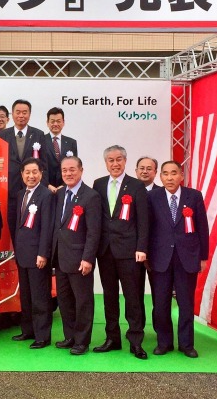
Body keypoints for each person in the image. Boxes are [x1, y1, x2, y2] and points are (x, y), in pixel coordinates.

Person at [92, 145, 149, 360]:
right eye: (111, 160)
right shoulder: (98, 184)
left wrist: (141, 248)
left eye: (118, 160)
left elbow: (143, 221)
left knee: (132, 297)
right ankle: (112, 338)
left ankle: (136, 341)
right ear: (106, 163)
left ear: (125, 161)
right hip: (105, 251)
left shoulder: (136, 186)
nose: (115, 164)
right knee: (109, 297)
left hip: (129, 252)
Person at [148, 161, 209, 358]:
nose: (170, 177)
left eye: (174, 173)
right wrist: (146, 254)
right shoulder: (152, 197)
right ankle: (164, 343)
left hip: (187, 258)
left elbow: (202, 227)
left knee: (186, 303)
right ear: (160, 177)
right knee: (161, 304)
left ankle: (186, 344)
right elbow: (147, 228)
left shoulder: (194, 196)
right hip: (160, 258)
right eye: (165, 174)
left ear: (181, 175)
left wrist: (203, 256)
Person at [52, 156, 101, 355]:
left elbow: (93, 232)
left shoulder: (91, 196)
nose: (68, 173)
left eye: (72, 169)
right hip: (60, 258)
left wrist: (88, 258)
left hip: (80, 259)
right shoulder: (59, 193)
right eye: (64, 170)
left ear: (81, 170)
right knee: (65, 301)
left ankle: (82, 341)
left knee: (83, 302)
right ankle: (70, 336)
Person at [11, 158, 54, 349]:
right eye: (27, 172)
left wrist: (43, 253)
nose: (31, 176)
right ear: (22, 174)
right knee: (26, 296)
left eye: (34, 172)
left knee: (40, 297)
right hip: (22, 254)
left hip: (38, 255)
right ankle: (28, 330)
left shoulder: (46, 195)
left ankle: (42, 336)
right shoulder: (21, 194)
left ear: (41, 173)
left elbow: (47, 227)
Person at [0, 99, 48, 240]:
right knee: (11, 225)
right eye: (18, 112)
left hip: (32, 188)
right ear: (12, 114)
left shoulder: (38, 134)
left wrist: (43, 188)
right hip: (10, 189)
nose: (21, 115)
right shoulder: (3, 135)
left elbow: (44, 164)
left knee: (31, 225)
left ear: (29, 114)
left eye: (24, 112)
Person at [135, 155, 160, 329]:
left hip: (157, 254)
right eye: (142, 168)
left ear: (155, 172)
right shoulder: (128, 191)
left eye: (149, 169)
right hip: (134, 252)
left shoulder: (162, 193)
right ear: (136, 171)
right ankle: (138, 329)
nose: (145, 171)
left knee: (159, 294)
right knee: (135, 294)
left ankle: (161, 330)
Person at [43, 107, 78, 193]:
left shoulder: (71, 142)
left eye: (58, 121)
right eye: (52, 121)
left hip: (66, 187)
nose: (55, 124)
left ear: (63, 122)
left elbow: (74, 166)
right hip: (45, 188)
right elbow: (38, 165)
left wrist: (64, 185)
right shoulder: (41, 140)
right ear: (47, 123)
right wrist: (47, 185)